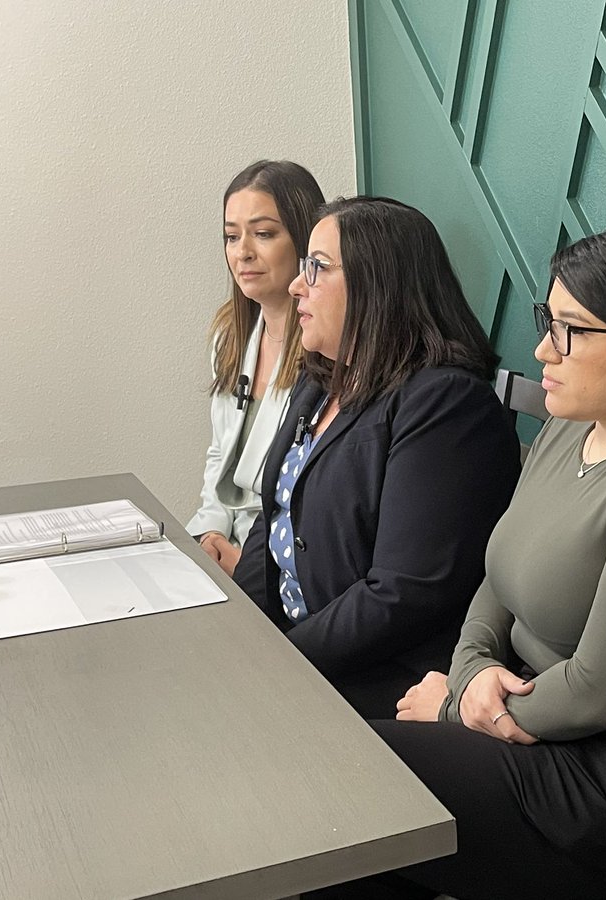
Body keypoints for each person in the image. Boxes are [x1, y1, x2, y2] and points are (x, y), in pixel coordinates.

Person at [316, 226, 606, 900]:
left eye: (570, 330)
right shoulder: (574, 423)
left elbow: (595, 691)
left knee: (344, 776)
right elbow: (497, 576)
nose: (542, 350)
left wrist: (451, 704)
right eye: (547, 320)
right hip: (541, 722)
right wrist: (469, 671)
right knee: (330, 765)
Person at [231, 196, 521, 719]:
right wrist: (240, 632)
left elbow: (403, 594)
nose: (297, 285)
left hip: (389, 679)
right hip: (306, 655)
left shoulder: (447, 404)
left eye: (316, 269)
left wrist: (273, 666)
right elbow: (274, 513)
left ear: (377, 284)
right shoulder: (321, 380)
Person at [187, 160, 325, 577]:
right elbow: (220, 453)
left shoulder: (329, 354)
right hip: (223, 547)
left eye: (263, 234)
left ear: (306, 242)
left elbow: (309, 499)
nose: (242, 251)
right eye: (231, 236)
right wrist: (209, 533)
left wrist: (244, 563)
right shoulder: (229, 334)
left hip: (277, 563)